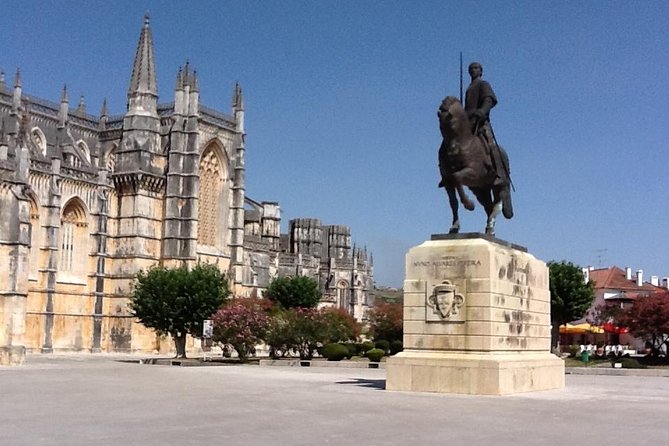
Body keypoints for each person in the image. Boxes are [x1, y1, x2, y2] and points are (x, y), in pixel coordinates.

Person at [465, 62, 508, 186]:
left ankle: (499, 173)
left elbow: (489, 100)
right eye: (471, 69)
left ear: (481, 71)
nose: (473, 70)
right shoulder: (469, 88)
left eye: (476, 68)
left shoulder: (483, 84)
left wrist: (482, 111)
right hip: (468, 123)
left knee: (490, 146)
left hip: (480, 122)